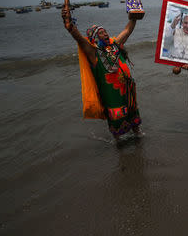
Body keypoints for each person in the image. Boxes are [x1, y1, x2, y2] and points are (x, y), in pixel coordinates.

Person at [61, 9, 142, 141]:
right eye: (101, 33)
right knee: (116, 117)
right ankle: (119, 143)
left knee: (133, 112)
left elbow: (127, 31)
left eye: (105, 31)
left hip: (127, 88)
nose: (105, 34)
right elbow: (80, 39)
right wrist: (69, 24)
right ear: (94, 38)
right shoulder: (93, 52)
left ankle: (138, 135)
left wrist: (134, 18)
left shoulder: (115, 44)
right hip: (111, 93)